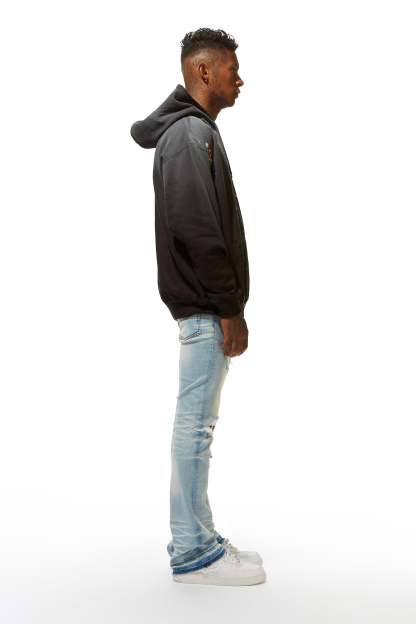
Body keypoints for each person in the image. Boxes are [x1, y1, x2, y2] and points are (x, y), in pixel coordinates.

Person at [130, 27, 266, 586]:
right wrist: (230, 308)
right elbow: (198, 230)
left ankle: (198, 537)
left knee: (197, 426)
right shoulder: (189, 135)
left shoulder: (194, 132)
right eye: (232, 68)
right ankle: (192, 552)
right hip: (207, 309)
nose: (241, 79)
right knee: (195, 428)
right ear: (203, 71)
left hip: (207, 307)